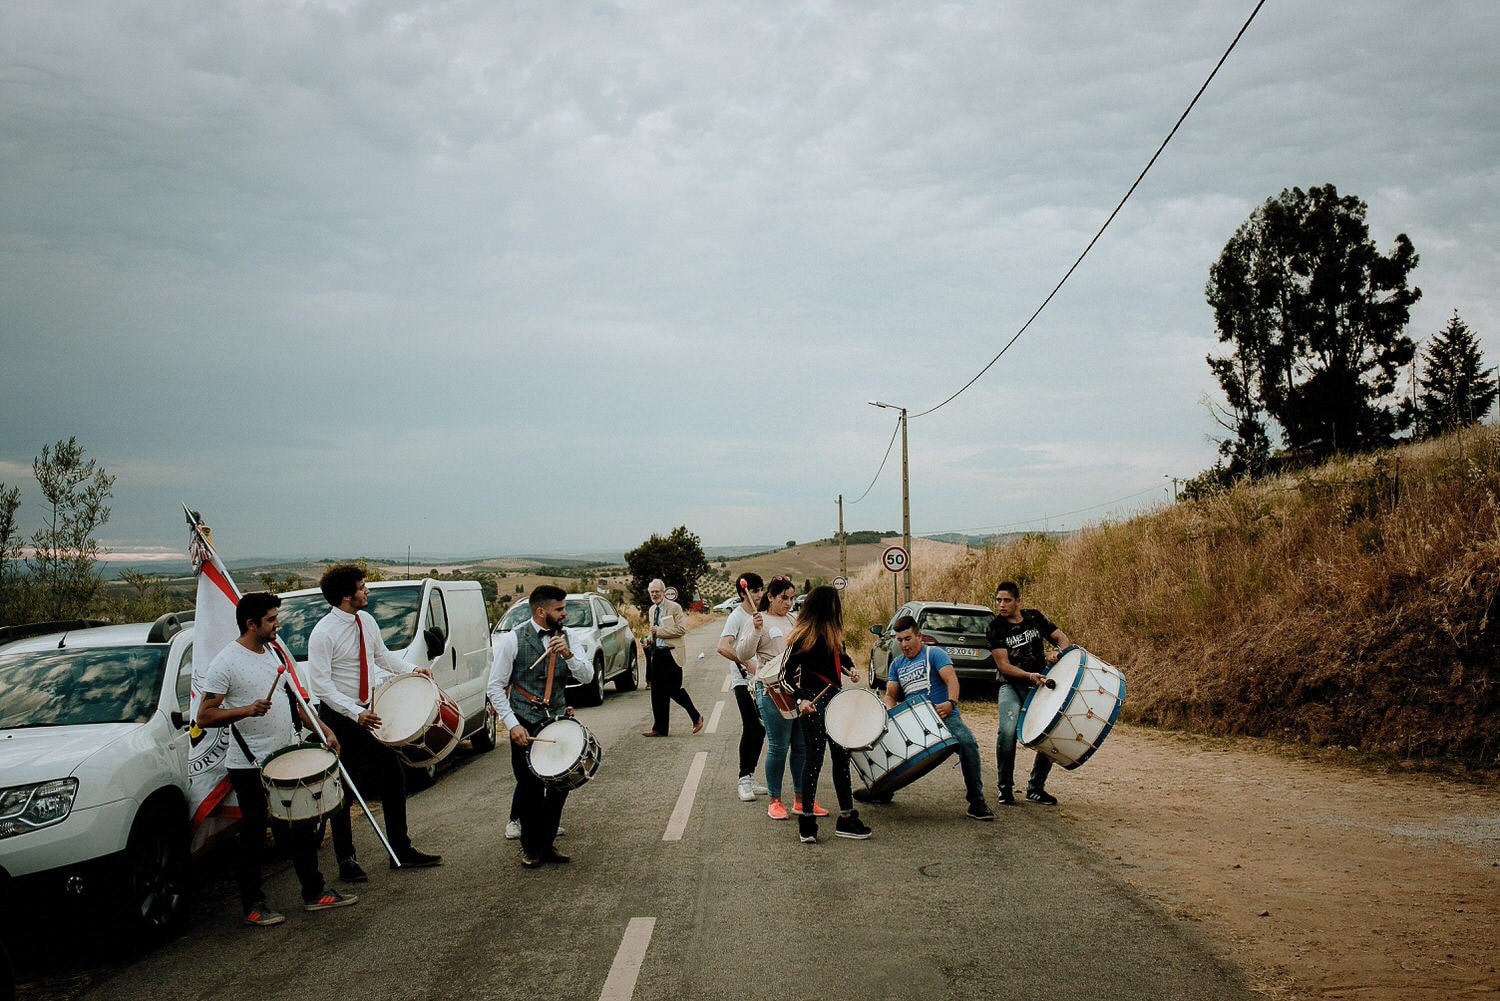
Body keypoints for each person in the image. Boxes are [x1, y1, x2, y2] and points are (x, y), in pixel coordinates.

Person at [197, 592, 356, 926]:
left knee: (299, 829)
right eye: (270, 619)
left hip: (285, 759)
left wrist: (324, 729)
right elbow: (204, 716)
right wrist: (246, 709)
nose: (277, 624)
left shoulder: (274, 652)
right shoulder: (225, 662)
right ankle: (254, 905)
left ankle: (314, 892)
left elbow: (296, 702)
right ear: (250, 623)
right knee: (254, 836)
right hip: (249, 765)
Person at [306, 564, 443, 879]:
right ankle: (347, 862)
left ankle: (400, 851)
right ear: (346, 595)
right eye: (362, 586)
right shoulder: (323, 633)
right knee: (345, 788)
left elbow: (382, 656)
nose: (367, 590)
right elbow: (321, 687)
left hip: (367, 713)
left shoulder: (365, 620)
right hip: (339, 718)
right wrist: (355, 713)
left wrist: (412, 669)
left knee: (394, 777)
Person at [487, 584, 594, 868]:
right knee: (531, 786)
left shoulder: (569, 636)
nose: (565, 614)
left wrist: (570, 656)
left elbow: (587, 676)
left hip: (557, 720)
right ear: (541, 611)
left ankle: (546, 844)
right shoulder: (513, 640)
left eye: (564, 608)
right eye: (559, 609)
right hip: (524, 721)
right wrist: (511, 725)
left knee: (561, 784)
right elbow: (495, 687)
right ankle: (530, 848)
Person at [879, 615, 994, 820]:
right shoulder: (897, 664)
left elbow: (952, 680)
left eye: (907, 638)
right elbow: (890, 695)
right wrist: (890, 712)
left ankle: (976, 802)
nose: (903, 644)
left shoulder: (935, 653)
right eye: (899, 640)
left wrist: (951, 703)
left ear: (919, 636)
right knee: (890, 746)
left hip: (943, 715)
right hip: (914, 719)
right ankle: (882, 790)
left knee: (968, 743)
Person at [733, 575, 825, 821]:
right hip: (771, 690)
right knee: (778, 747)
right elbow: (742, 653)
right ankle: (775, 800)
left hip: (797, 690)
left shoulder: (794, 619)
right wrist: (756, 630)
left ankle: (801, 799)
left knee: (801, 748)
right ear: (770, 597)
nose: (788, 602)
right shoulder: (757, 620)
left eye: (792, 598)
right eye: (784, 598)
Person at [786, 585, 871, 843]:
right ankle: (807, 821)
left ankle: (846, 818)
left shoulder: (835, 633)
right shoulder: (802, 636)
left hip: (836, 700)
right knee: (814, 759)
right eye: (836, 604)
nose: (839, 608)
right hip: (813, 700)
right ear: (827, 606)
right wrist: (800, 699)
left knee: (841, 757)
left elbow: (840, 658)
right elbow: (784, 676)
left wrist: (851, 669)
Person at [986, 580, 1072, 806]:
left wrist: (1058, 654)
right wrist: (1028, 675)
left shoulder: (1034, 618)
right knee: (1007, 732)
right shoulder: (995, 627)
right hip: (1011, 685)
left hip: (1041, 684)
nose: (1001, 605)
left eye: (1007, 600)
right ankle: (1005, 788)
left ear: (1018, 601)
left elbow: (1062, 640)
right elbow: (1003, 666)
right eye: (998, 600)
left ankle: (1036, 787)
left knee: (1049, 732)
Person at [716, 573, 768, 802]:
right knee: (751, 726)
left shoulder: (762, 614)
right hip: (743, 681)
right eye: (754, 590)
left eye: (760, 590)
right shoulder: (736, 617)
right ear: (742, 593)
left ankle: (750, 774)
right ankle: (743, 780)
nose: (758, 594)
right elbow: (722, 646)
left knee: (762, 728)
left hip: (763, 680)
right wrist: (745, 662)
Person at [641, 578, 704, 737]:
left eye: (657, 591)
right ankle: (659, 728)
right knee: (656, 692)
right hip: (658, 653)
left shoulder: (675, 608)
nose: (654, 594)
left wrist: (658, 632)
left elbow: (681, 630)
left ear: (664, 592)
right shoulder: (652, 610)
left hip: (672, 653)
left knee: (673, 689)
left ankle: (696, 716)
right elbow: (652, 631)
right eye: (652, 592)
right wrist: (648, 640)